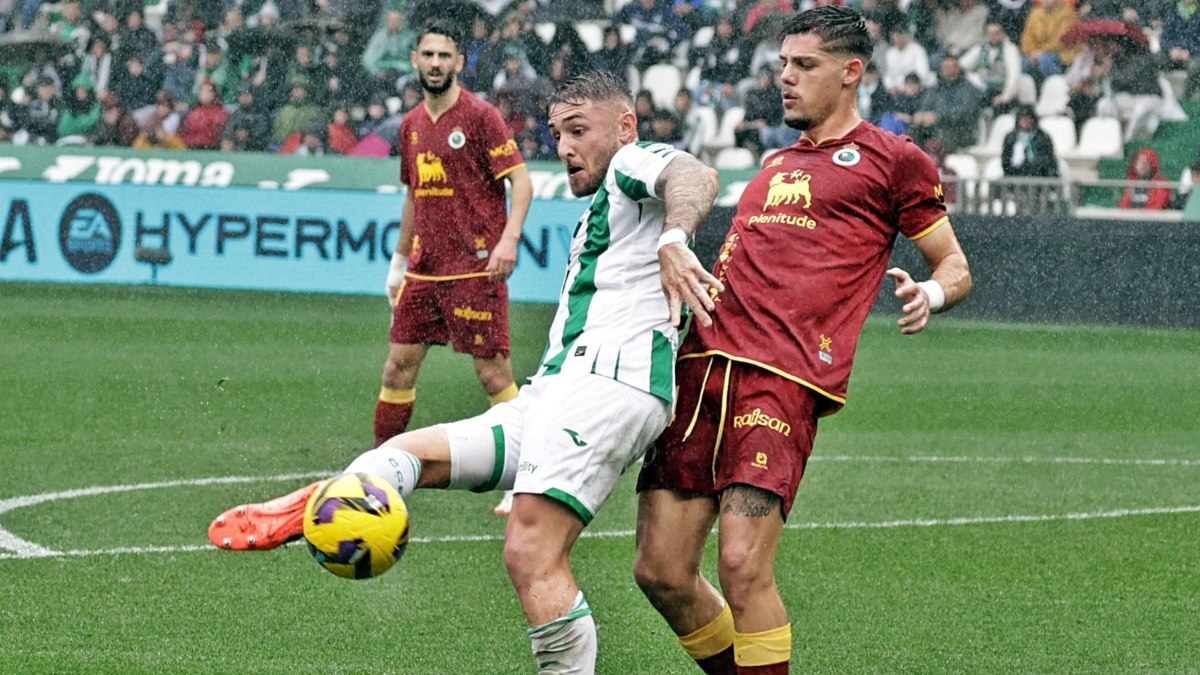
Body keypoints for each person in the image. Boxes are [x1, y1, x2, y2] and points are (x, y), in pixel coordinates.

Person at [207, 70, 722, 674]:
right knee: (402, 456)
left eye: (580, 130)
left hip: (609, 386)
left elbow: (695, 174)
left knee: (531, 550)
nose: (564, 148)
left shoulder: (634, 162)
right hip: (553, 393)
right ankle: (335, 499)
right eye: (557, 134)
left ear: (626, 125)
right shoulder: (608, 203)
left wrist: (677, 238)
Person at [632, 7, 972, 673]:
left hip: (780, 378)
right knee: (661, 571)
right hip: (698, 370)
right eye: (783, 64)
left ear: (852, 73)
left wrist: (928, 293)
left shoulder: (894, 160)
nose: (785, 78)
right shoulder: (775, 160)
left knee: (740, 563)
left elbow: (954, 265)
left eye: (804, 66)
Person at [376, 21, 533, 529]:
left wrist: (508, 240)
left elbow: (522, 183)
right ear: (415, 61)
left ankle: (523, 481)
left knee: (494, 376)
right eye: (428, 54)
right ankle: (380, 475)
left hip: (475, 266)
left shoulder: (481, 116)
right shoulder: (411, 125)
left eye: (445, 54)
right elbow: (412, 195)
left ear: (460, 62)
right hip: (425, 271)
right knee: (397, 369)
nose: (436, 63)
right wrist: (399, 262)